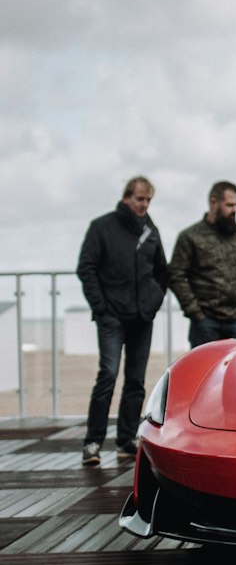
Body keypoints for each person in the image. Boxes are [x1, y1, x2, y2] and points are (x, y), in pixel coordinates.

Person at [77, 175, 169, 465]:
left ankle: (126, 439)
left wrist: (153, 302)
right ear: (127, 197)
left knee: (135, 381)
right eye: (140, 199)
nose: (144, 205)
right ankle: (93, 442)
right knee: (107, 375)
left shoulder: (150, 229)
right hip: (112, 317)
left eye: (148, 200)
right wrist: (101, 307)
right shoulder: (102, 227)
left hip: (142, 317)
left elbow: (162, 271)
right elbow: (86, 268)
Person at [168, 180, 236, 348]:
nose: (234, 210)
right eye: (229, 205)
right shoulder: (190, 237)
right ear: (213, 202)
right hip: (205, 323)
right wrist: (195, 312)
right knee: (204, 372)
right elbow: (176, 275)